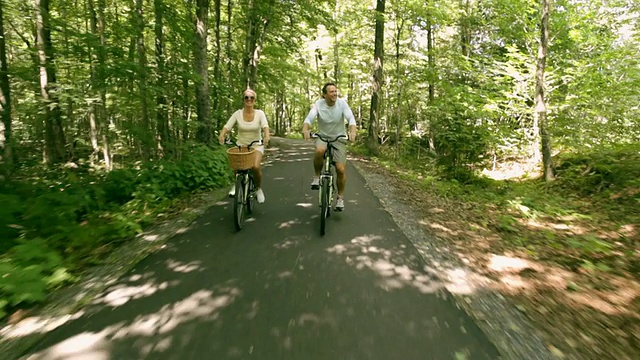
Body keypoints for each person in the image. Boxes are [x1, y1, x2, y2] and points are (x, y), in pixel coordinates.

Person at [302, 82, 357, 211]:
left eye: (335, 91)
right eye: (331, 92)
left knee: (340, 169)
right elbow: (309, 119)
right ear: (324, 95)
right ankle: (316, 177)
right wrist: (305, 129)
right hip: (323, 136)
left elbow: (351, 118)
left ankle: (340, 198)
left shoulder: (342, 103)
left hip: (339, 138)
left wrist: (352, 132)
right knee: (320, 150)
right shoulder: (318, 104)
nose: (334, 94)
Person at [218, 89, 270, 203]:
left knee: (256, 167)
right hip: (241, 145)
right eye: (246, 97)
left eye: (251, 98)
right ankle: (236, 184)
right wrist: (222, 135)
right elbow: (228, 126)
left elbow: (265, 126)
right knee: (237, 164)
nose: (249, 100)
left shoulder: (259, 113)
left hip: (256, 145)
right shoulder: (237, 114)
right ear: (243, 100)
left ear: (254, 100)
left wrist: (266, 136)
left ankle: (258, 189)